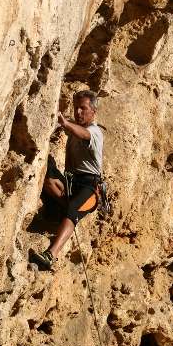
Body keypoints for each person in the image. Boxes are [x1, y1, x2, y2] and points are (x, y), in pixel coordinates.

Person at [32, 90, 103, 270]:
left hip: (89, 188)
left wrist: (65, 123)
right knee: (46, 171)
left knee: (73, 208)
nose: (78, 112)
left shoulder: (95, 133)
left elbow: (84, 135)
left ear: (93, 111)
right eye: (76, 108)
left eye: (83, 108)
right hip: (71, 184)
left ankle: (51, 254)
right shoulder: (74, 127)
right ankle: (61, 211)